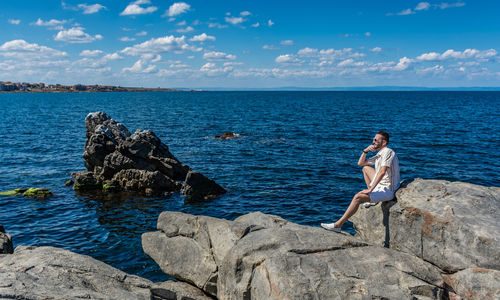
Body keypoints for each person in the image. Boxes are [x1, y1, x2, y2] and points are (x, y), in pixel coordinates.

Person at [321, 130, 400, 232]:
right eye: (373, 140)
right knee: (365, 168)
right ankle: (372, 199)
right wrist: (365, 151)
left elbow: (382, 172)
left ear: (384, 142)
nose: (373, 141)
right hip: (381, 185)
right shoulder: (380, 154)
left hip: (388, 190)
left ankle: (338, 225)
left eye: (376, 140)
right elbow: (361, 163)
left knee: (357, 197)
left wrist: (370, 190)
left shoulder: (388, 152)